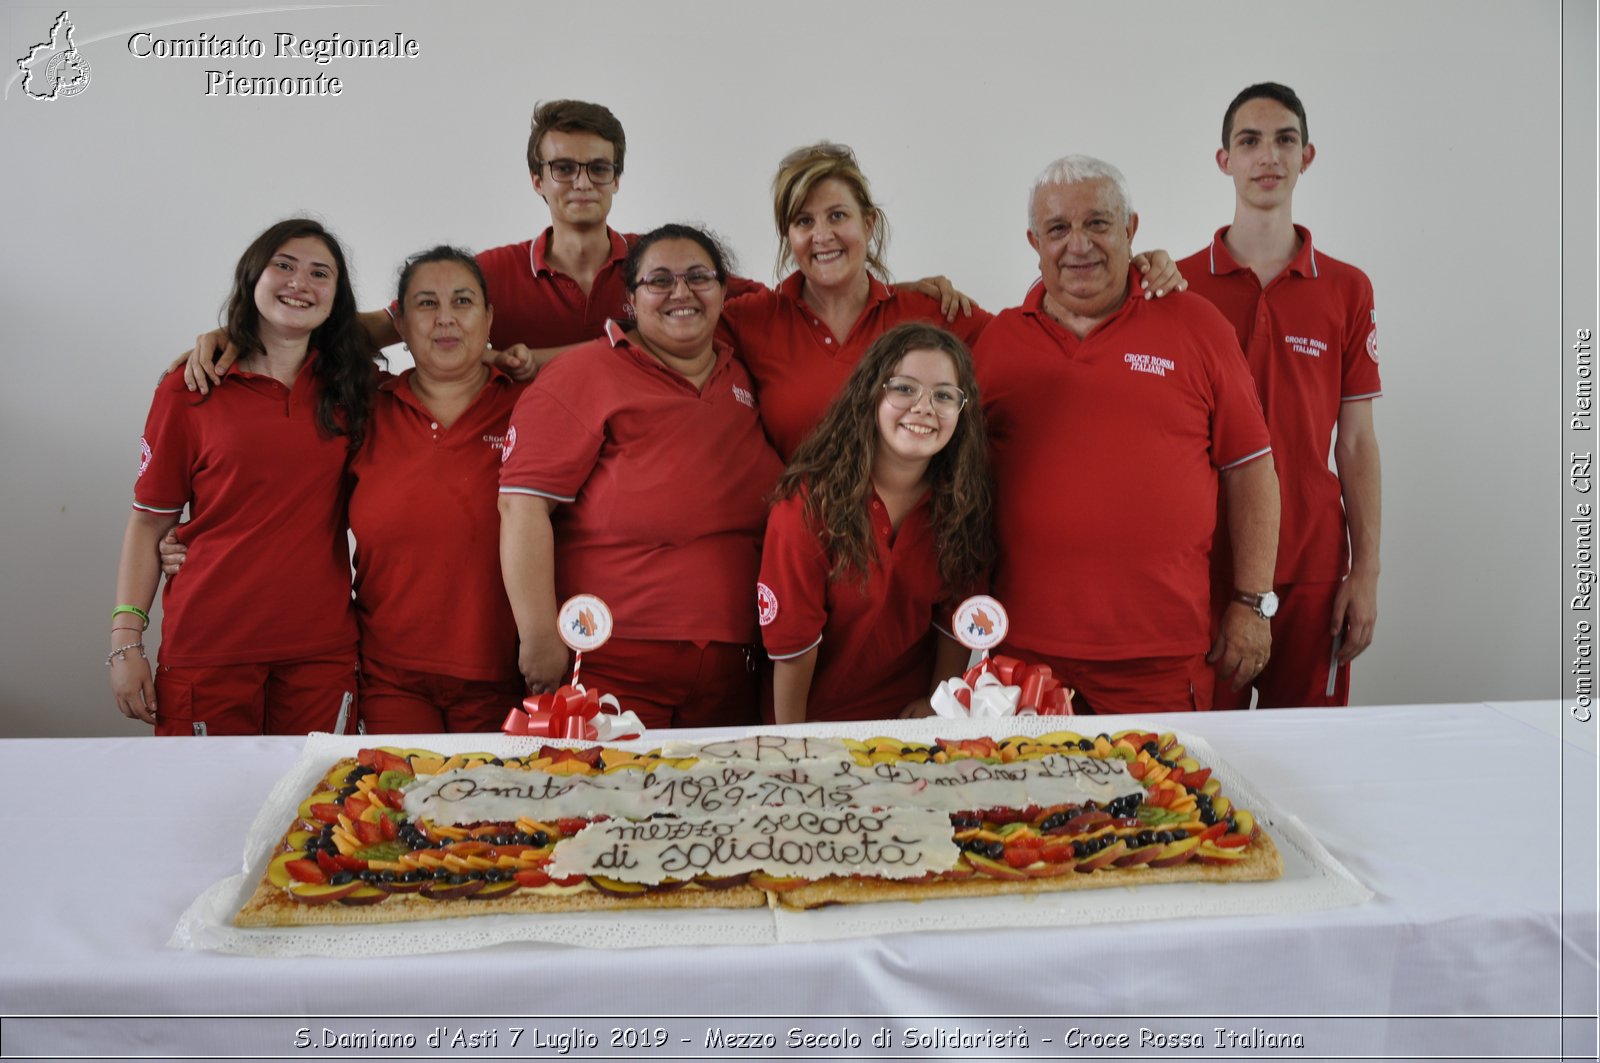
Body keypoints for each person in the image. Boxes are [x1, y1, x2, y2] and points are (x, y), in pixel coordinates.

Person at [973, 156, 1280, 714]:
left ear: (1131, 229)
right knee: (1026, 803)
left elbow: (1252, 468)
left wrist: (1254, 603)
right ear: (1033, 242)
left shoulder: (1197, 324)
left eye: (1098, 223)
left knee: (1162, 801)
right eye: (1058, 229)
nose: (1079, 245)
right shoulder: (995, 343)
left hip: (1161, 660)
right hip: (1025, 659)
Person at [722, 142, 1188, 459]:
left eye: (837, 215)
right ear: (788, 235)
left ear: (868, 224)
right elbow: (676, 289)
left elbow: (1037, 328)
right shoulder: (754, 319)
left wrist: (1130, 271)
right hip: (797, 558)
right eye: (803, 221)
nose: (822, 235)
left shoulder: (930, 315)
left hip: (916, 568)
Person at [497, 224, 783, 729]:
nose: (682, 292)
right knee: (607, 806)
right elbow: (521, 506)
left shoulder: (746, 375)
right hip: (611, 660)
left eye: (700, 277)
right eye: (659, 281)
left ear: (723, 290)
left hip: (735, 666)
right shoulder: (581, 374)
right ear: (631, 298)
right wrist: (538, 637)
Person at [109, 218, 373, 734]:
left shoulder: (356, 390)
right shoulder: (190, 389)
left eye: (321, 273)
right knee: (204, 811)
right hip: (208, 649)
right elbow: (148, 524)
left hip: (321, 653)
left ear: (336, 298)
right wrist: (125, 642)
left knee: (316, 812)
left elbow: (413, 320)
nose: (300, 282)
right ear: (253, 277)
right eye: (284, 265)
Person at [1177, 83, 1382, 709]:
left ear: (1306, 156)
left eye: (1284, 140)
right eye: (1250, 141)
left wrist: (1366, 572)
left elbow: (1355, 440)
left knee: (1312, 760)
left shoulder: (1347, 288)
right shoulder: (1178, 285)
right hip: (1205, 566)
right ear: (1225, 160)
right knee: (1200, 762)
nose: (1268, 156)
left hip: (1312, 566)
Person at [759, 322, 993, 723]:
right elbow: (793, 649)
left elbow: (955, 623)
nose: (924, 407)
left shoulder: (963, 502)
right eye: (904, 388)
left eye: (943, 395)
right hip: (814, 724)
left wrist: (938, 704)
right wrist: (796, 746)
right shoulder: (808, 504)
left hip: (907, 727)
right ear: (871, 393)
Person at [349, 247, 526, 731]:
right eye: (426, 304)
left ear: (489, 319)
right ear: (400, 324)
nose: (445, 319)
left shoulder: (533, 407)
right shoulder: (365, 409)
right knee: (394, 803)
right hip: (389, 675)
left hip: (505, 675)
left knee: (488, 808)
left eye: (463, 302)